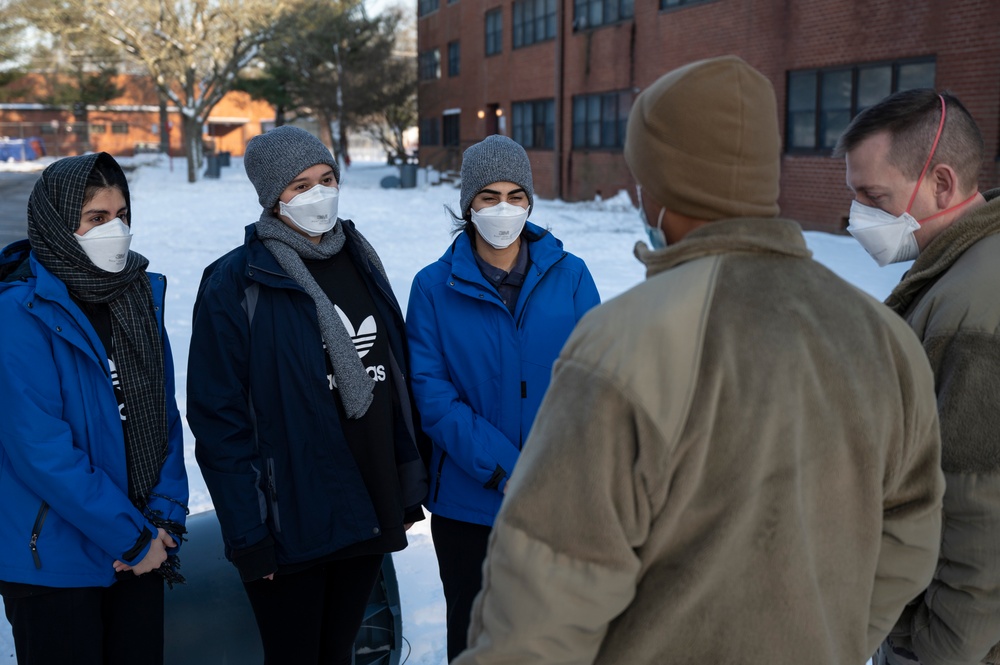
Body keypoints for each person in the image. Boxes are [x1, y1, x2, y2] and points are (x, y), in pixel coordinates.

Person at [452, 56, 946, 665]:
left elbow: (544, 601)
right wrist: (825, 632)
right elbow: (909, 537)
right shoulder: (884, 339)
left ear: (657, 184)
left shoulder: (624, 344)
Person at [187, 125, 427, 665]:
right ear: (273, 197)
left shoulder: (360, 258)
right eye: (299, 186)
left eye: (326, 179)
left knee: (338, 652)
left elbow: (391, 375)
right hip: (291, 518)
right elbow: (218, 418)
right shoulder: (235, 281)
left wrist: (404, 483)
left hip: (366, 502)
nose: (319, 194)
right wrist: (249, 536)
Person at [405, 134, 600, 661]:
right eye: (489, 196)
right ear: (468, 204)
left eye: (516, 195)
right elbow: (433, 394)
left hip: (555, 499)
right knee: (476, 643)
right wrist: (507, 469)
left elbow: (595, 379)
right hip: (470, 506)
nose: (503, 209)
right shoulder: (432, 287)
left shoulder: (571, 274)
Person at [0, 153, 188, 665]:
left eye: (122, 215)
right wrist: (131, 536)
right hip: (56, 562)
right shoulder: (17, 313)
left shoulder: (137, 299)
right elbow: (41, 450)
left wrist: (164, 520)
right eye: (96, 219)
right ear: (61, 226)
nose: (116, 230)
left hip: (143, 551)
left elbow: (164, 418)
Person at [836, 89, 1000, 665]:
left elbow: (980, 507)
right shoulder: (955, 275)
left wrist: (933, 651)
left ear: (942, 183)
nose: (856, 216)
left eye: (874, 196)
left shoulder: (975, 306)